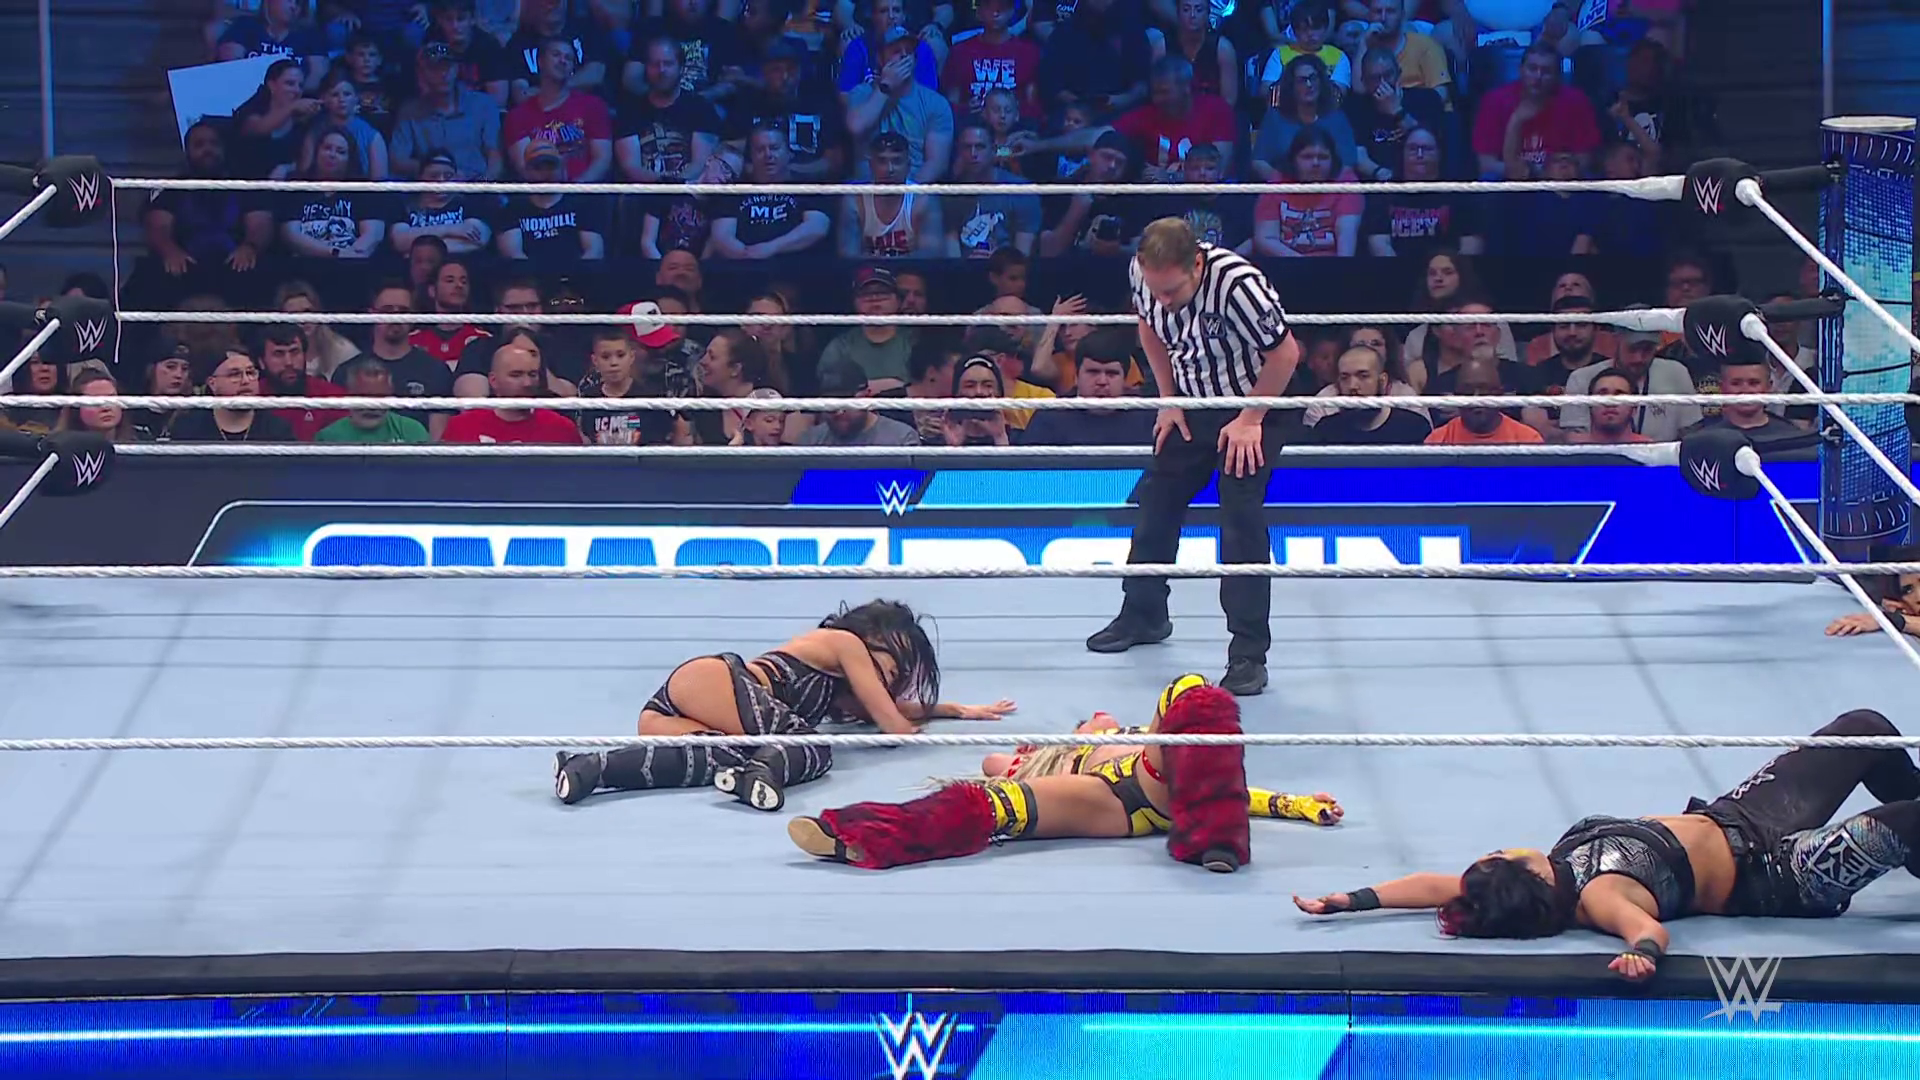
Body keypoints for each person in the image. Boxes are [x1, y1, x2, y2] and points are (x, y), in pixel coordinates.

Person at [1293, 709, 1920, 981]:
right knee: (1904, 821)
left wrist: (1350, 900)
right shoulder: (1598, 897)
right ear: (1525, 875)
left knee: (1864, 731)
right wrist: (1640, 956)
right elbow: (1647, 931)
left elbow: (1434, 885)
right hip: (1781, 876)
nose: (1503, 847)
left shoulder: (1550, 867)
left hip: (1744, 815)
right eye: (1501, 855)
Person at [1087, 217, 1301, 698]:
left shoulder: (1238, 285)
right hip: (1193, 400)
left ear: (1197, 265)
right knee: (1157, 499)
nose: (1164, 300)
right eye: (1156, 290)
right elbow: (1147, 327)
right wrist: (1169, 399)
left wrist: (1250, 418)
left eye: (1173, 291)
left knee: (1239, 514)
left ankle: (1248, 653)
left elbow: (1286, 354)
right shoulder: (1143, 274)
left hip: (1257, 402)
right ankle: (1144, 613)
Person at [787, 676, 1279, 873]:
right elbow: (994, 768)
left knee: (1192, 694)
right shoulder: (1051, 757)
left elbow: (1231, 789)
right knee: (988, 806)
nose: (1099, 718)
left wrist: (1292, 805)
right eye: (1089, 721)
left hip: (1164, 780)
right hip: (1115, 798)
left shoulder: (1143, 733)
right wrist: (1044, 755)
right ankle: (865, 834)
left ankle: (1215, 840)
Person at [554, 600, 1011, 811]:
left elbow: (887, 710)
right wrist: (915, 730)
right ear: (875, 639)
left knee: (714, 758)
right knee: (813, 747)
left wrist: (952, 710)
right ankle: (763, 771)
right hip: (715, 679)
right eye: (893, 668)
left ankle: (591, 769)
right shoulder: (845, 643)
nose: (890, 682)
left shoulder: (837, 683)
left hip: (666, 714)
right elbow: (892, 725)